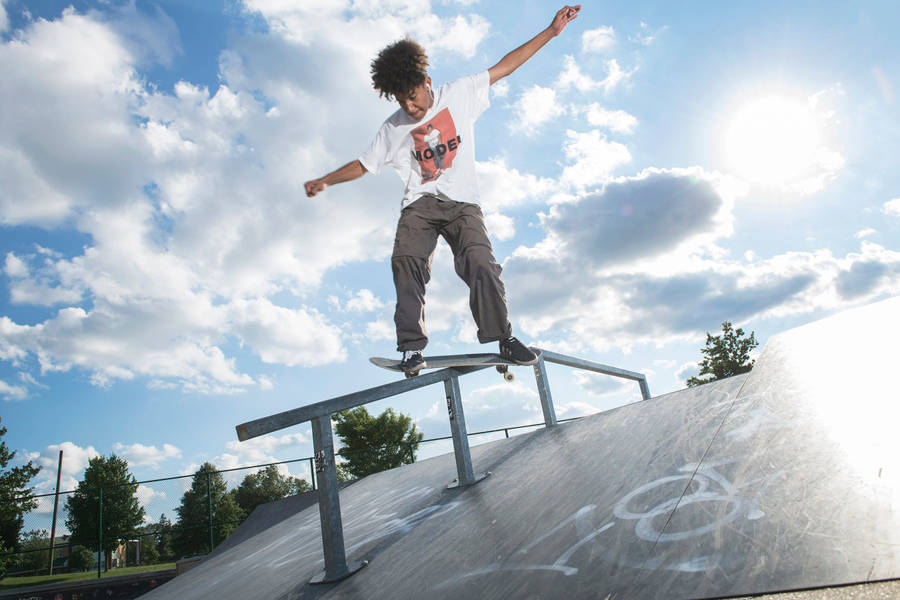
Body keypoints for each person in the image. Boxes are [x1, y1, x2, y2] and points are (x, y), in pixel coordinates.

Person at [305, 5, 582, 375]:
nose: (409, 106)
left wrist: (551, 31)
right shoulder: (392, 128)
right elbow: (364, 164)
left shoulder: (461, 92)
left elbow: (507, 65)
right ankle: (411, 348)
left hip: (463, 204)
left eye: (412, 96)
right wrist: (326, 179)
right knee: (406, 262)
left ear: (426, 80)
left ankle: (503, 337)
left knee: (481, 262)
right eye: (400, 101)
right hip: (419, 205)